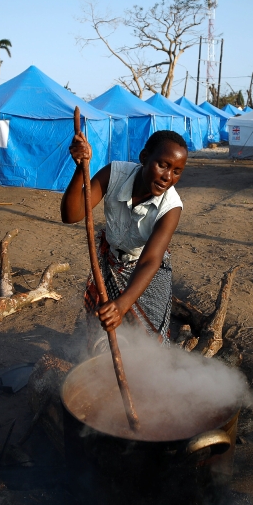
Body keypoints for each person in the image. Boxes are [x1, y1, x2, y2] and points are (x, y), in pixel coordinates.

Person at [61, 129, 188, 352]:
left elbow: (150, 260)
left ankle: (147, 376)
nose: (168, 177)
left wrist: (122, 304)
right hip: (111, 262)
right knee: (105, 326)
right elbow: (71, 215)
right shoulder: (114, 174)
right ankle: (103, 366)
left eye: (177, 171)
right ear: (144, 157)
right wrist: (81, 168)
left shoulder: (171, 207)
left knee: (150, 337)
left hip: (148, 272)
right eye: (163, 165)